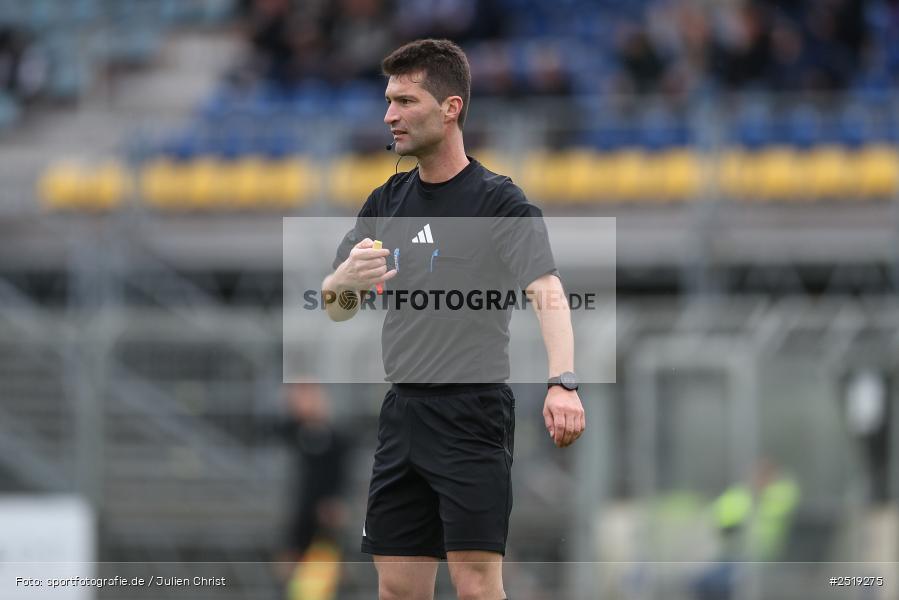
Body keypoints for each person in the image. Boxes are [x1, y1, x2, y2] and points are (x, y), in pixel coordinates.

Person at [321, 39, 585, 600]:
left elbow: (548, 291)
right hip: (401, 413)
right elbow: (336, 308)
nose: (389, 115)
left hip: (472, 415)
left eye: (405, 100)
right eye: (388, 100)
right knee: (396, 586)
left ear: (450, 108)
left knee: (475, 584)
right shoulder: (385, 202)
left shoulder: (498, 202)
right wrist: (343, 283)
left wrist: (563, 382)